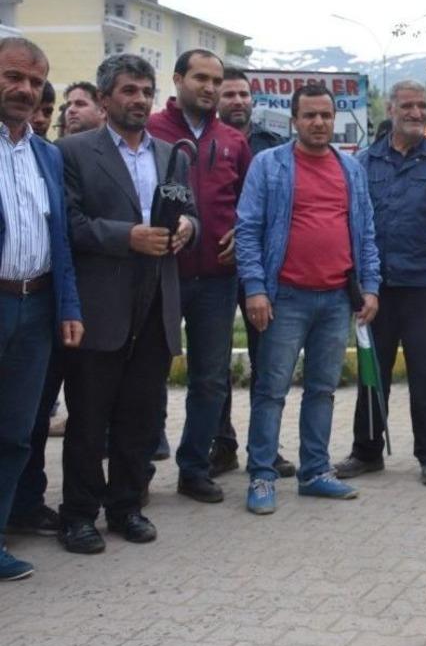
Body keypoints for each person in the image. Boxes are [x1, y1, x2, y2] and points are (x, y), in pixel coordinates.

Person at [57, 53, 197, 553]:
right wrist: (126, 237)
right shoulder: (72, 152)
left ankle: (126, 508)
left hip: (157, 304)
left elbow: (190, 213)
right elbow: (69, 226)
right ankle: (78, 516)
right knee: (90, 420)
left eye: (145, 91)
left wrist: (187, 228)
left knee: (141, 416)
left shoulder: (170, 154)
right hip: (101, 305)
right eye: (128, 91)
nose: (139, 100)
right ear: (103, 99)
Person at [235, 83, 380, 515]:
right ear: (295, 120)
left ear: (334, 119)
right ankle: (261, 474)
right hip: (285, 298)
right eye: (310, 115)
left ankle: (316, 472)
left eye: (325, 115)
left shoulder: (350, 168)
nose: (319, 123)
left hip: (337, 298)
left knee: (322, 389)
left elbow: (366, 232)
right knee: (271, 389)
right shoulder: (269, 165)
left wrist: (370, 286)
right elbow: (247, 230)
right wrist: (255, 289)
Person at [335, 80, 426, 486]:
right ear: (390, 110)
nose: (415, 112)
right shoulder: (364, 163)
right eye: (407, 105)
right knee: (372, 373)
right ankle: (367, 451)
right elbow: (351, 226)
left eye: (421, 106)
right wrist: (355, 286)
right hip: (376, 290)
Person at [145, 50, 255, 504]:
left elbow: (252, 204)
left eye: (216, 80)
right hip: (158, 274)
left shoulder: (233, 140)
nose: (209, 88)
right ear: (177, 80)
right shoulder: (150, 130)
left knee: (209, 379)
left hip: (216, 278)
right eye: (200, 79)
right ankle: (138, 471)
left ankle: (194, 468)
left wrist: (239, 230)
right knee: (148, 375)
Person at [0, 38, 83, 580]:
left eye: (34, 81)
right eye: (13, 77)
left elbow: (61, 240)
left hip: (35, 307)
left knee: (15, 433)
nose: (25, 90)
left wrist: (68, 305)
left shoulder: (46, 154)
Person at [210, 67, 291, 478]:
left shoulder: (272, 147)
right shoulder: (205, 141)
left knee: (268, 362)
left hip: (264, 270)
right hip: (219, 268)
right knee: (214, 361)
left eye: (244, 94)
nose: (238, 101)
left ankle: (267, 448)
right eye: (229, 94)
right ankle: (220, 444)